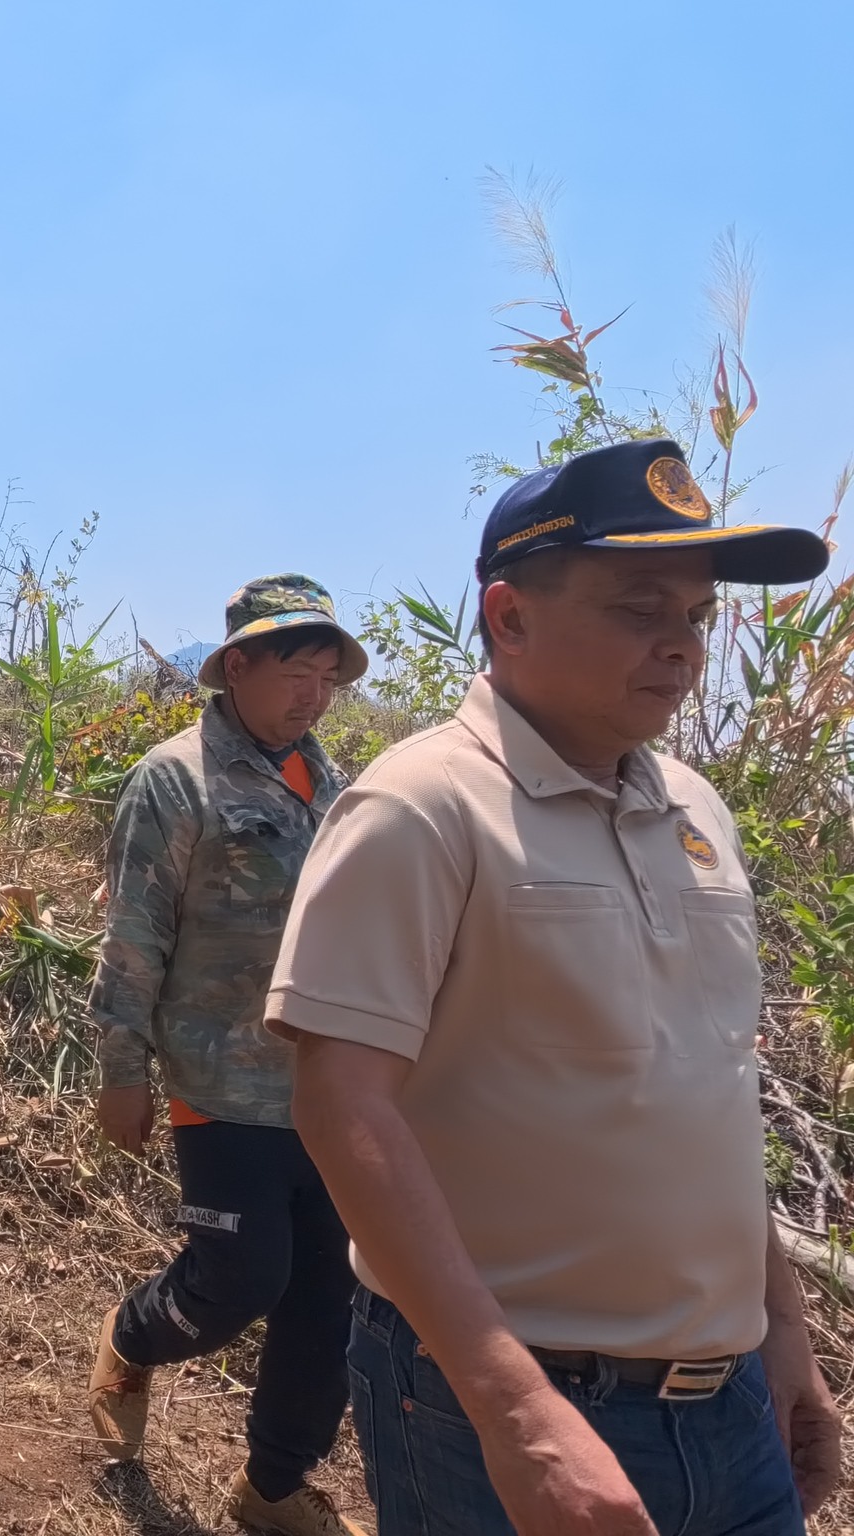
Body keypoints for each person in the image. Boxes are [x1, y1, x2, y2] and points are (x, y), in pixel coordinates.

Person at [270, 438, 840, 1535]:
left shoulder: (697, 812)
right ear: (509, 615)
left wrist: (780, 1330)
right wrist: (518, 1413)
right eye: (639, 609)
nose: (681, 646)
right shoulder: (421, 809)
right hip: (503, 1402)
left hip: (728, 1402)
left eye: (696, 616)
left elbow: (709, 1092)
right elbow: (342, 1108)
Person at [87, 576, 370, 1536]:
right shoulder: (175, 780)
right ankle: (135, 1336)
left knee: (327, 1301)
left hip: (328, 1089)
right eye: (297, 673)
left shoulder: (337, 787)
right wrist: (121, 1070)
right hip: (219, 1080)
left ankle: (273, 1488)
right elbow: (135, 935)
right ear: (237, 667)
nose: (314, 696)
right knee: (243, 1278)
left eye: (328, 678)